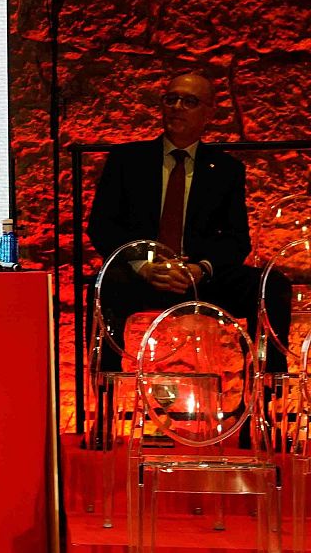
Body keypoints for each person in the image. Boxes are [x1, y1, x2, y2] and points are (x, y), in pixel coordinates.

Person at [88, 72, 290, 371]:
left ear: (209, 113)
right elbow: (102, 227)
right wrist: (144, 266)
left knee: (270, 284)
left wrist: (200, 269)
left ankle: (265, 388)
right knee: (105, 284)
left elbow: (237, 240)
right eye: (171, 99)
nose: (177, 106)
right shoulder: (127, 160)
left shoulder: (225, 169)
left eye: (189, 101)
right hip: (142, 274)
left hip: (197, 276)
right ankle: (105, 389)